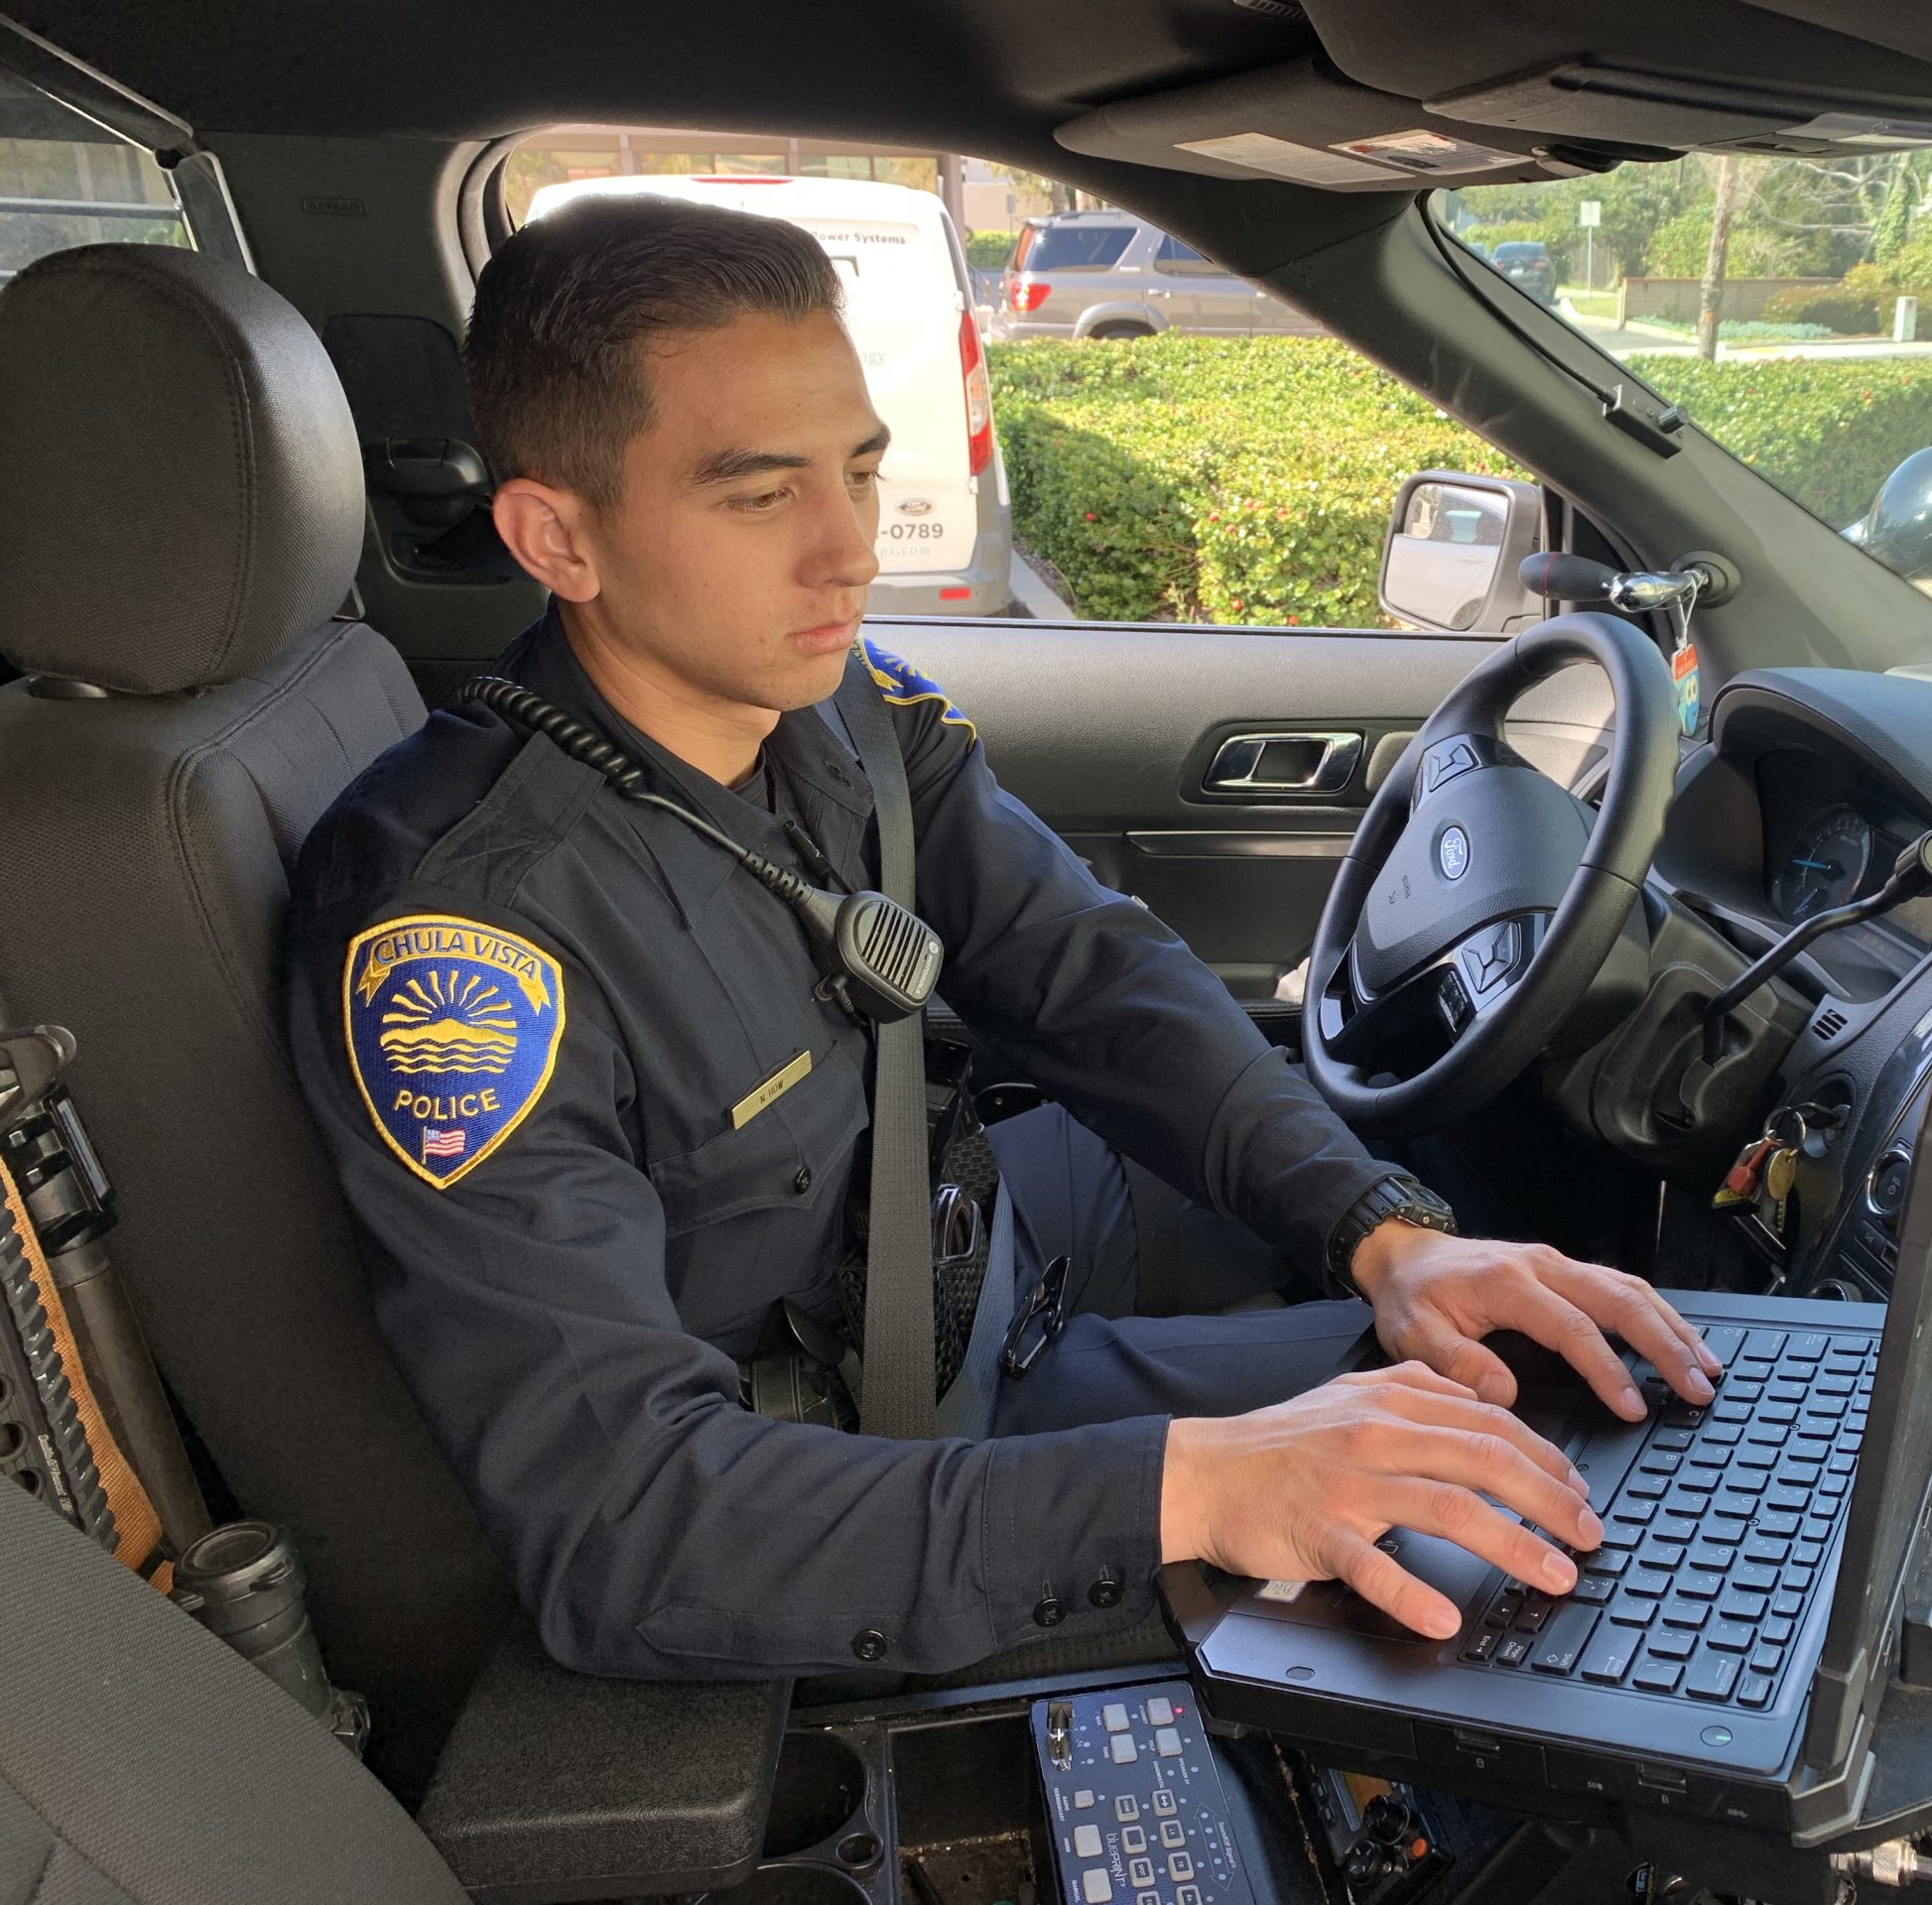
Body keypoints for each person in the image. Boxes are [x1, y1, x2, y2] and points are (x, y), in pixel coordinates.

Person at [284, 195, 1718, 1682]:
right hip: (843, 1515)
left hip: (984, 1306)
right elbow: (629, 1533)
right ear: (558, 538)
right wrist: (1197, 1488)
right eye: (761, 497)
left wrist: (1382, 1230)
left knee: (1541, 1390)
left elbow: (1084, 967)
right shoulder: (461, 940)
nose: (849, 552)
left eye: (859, 471)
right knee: (1514, 1535)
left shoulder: (835, 710)